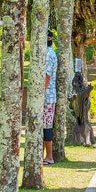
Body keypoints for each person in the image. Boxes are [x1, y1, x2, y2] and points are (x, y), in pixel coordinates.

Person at [43, 30, 58, 165]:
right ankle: (42, 155)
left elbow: (47, 76)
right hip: (48, 95)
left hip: (46, 96)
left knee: (46, 126)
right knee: (43, 126)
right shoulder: (50, 52)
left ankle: (49, 156)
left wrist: (41, 92)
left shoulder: (48, 54)